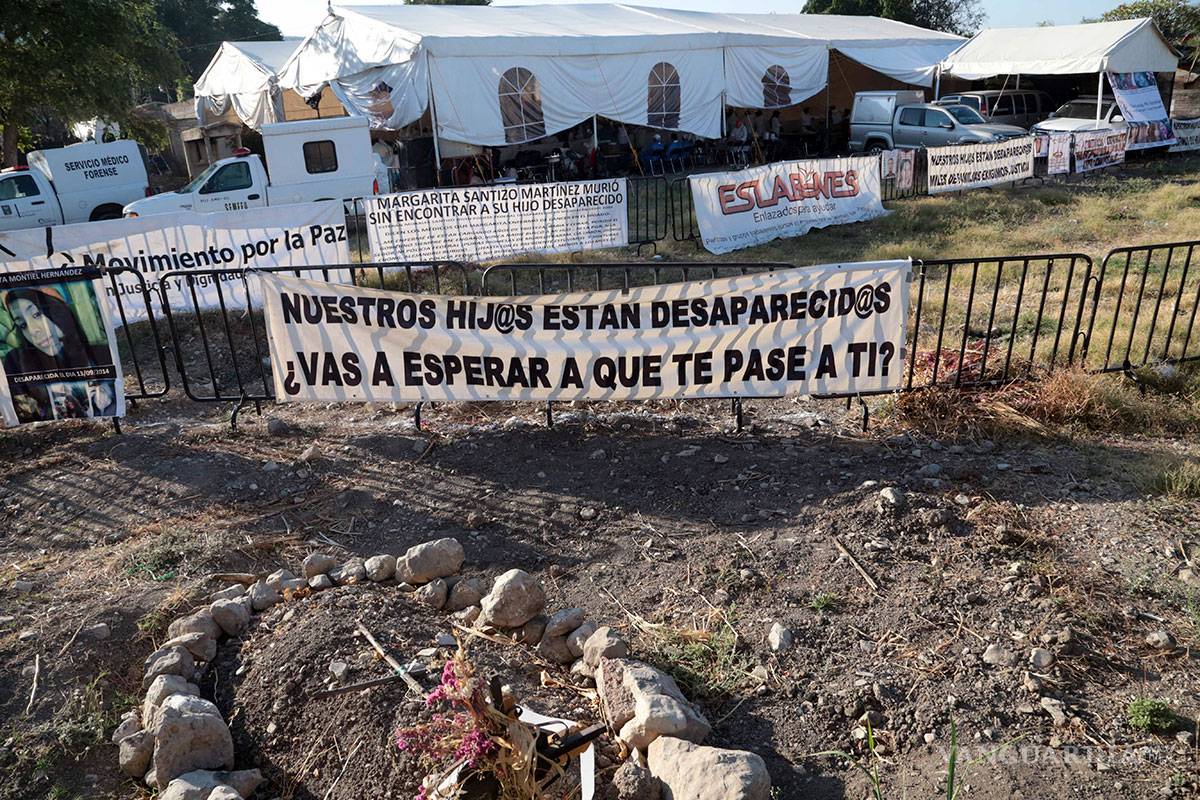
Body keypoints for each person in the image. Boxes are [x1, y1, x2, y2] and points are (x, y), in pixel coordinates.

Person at [2, 287, 112, 422]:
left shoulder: (101, 355)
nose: (33, 330)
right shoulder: (16, 363)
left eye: (37, 315)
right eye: (23, 325)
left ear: (59, 311)